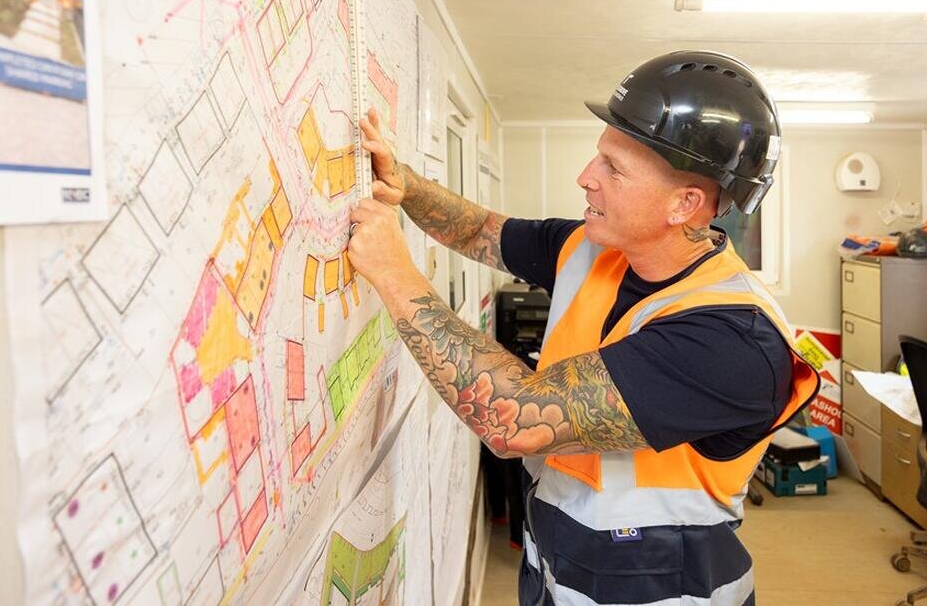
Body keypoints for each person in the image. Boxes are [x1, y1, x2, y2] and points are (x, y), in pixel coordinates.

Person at [347, 51, 820, 606]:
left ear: (685, 203)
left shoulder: (732, 340)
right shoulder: (595, 248)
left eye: (613, 168)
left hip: (661, 583)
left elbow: (516, 420)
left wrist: (393, 271)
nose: (586, 178)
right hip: (556, 558)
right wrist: (405, 183)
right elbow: (480, 229)